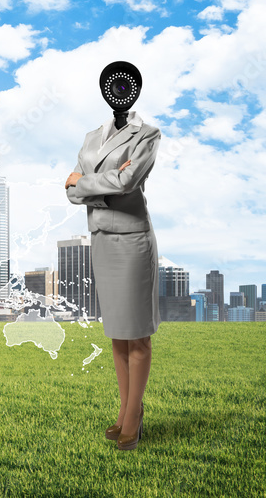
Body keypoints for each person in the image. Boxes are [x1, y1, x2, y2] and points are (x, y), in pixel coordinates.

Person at [64, 63, 161, 452]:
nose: (119, 91)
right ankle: (124, 412)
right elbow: (70, 191)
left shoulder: (147, 134)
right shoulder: (91, 137)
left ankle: (134, 417)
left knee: (137, 333)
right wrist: (100, 185)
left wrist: (86, 185)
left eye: (125, 85)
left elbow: (127, 181)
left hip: (133, 240)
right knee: (117, 335)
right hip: (102, 238)